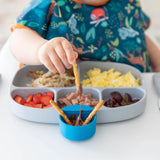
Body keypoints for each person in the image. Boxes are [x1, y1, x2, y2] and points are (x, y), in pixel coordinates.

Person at [9, 0, 160, 73]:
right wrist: (39, 49)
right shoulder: (51, 4)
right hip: (66, 97)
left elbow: (138, 36)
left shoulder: (126, 4)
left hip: (134, 97)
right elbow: (19, 38)